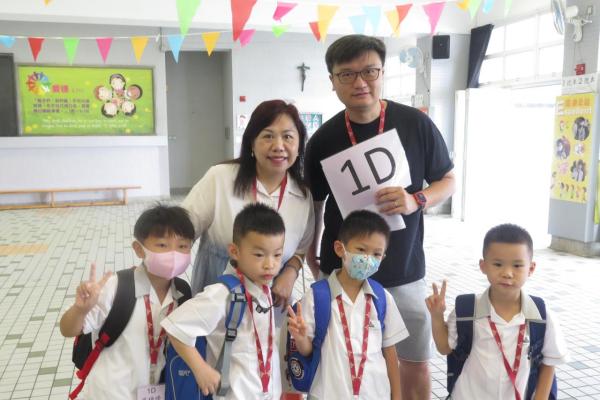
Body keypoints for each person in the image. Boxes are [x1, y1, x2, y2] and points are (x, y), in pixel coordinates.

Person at [304, 34, 455, 399]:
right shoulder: (323, 139)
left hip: (403, 269)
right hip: (343, 270)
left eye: (369, 71)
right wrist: (311, 255)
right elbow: (315, 206)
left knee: (414, 362)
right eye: (347, 74)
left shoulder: (415, 124)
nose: (360, 82)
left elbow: (448, 180)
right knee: (341, 358)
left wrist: (416, 199)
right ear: (333, 81)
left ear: (382, 72)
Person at [183, 99, 314, 308]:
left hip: (271, 305)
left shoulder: (302, 195)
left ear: (299, 145)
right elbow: (182, 232)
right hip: (216, 301)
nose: (278, 146)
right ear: (252, 143)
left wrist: (290, 272)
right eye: (268, 136)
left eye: (288, 137)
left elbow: (300, 249)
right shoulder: (221, 178)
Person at [59, 204, 195, 400]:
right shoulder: (116, 287)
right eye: (162, 245)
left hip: (157, 391)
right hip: (110, 394)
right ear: (139, 249)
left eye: (182, 246)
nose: (173, 254)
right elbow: (67, 329)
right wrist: (80, 310)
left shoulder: (182, 292)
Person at [426, 224, 568, 399]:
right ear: (483, 265)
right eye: (498, 264)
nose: (507, 273)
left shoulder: (541, 316)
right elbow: (444, 347)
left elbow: (548, 363)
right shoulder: (467, 310)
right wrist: (437, 316)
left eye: (517, 265)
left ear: (531, 268)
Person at [162, 203, 286, 399]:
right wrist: (201, 369)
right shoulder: (222, 294)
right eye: (259, 255)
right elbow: (175, 327)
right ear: (234, 251)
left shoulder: (264, 288)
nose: (270, 264)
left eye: (277, 255)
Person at [287, 210, 408, 399]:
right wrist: (301, 338)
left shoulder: (382, 298)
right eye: (361, 250)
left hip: (375, 395)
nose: (368, 259)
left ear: (383, 257)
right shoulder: (317, 297)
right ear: (339, 248)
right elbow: (307, 350)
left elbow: (390, 352)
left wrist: (397, 396)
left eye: (376, 254)